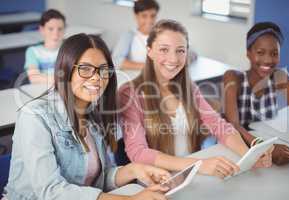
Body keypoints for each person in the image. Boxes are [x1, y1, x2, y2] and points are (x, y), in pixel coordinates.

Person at [2, 34, 171, 200]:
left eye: (103, 70)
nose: (96, 77)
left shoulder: (93, 115)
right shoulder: (35, 116)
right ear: (65, 70)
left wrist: (136, 170)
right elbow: (51, 192)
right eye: (85, 69)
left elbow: (98, 179)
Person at [118, 19, 273, 180]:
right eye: (164, 49)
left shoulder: (188, 88)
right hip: (158, 183)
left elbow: (218, 125)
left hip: (193, 176)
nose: (173, 59)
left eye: (180, 51)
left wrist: (248, 156)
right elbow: (138, 152)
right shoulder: (129, 93)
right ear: (149, 51)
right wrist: (198, 163)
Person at [223, 22, 289, 165]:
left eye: (274, 53)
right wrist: (266, 147)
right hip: (235, 148)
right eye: (260, 52)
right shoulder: (233, 77)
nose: (268, 60)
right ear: (248, 53)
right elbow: (233, 124)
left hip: (266, 145)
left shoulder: (280, 77)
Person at [112, 0, 159, 70]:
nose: (149, 20)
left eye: (153, 16)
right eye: (144, 16)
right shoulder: (128, 35)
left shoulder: (161, 36)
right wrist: (149, 67)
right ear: (136, 16)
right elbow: (116, 61)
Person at [24, 9, 65, 84]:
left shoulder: (68, 49)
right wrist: (64, 79)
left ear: (64, 29)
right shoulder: (33, 51)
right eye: (50, 29)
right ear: (42, 29)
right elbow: (34, 78)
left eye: (60, 29)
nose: (56, 33)